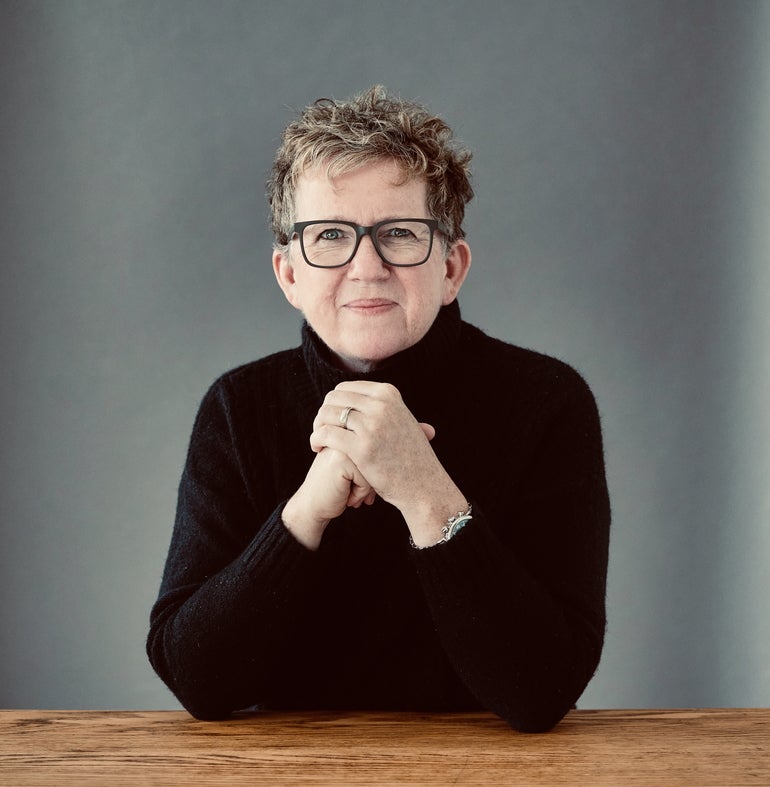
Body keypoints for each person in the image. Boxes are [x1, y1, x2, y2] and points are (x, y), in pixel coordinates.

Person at [147, 86, 611, 733]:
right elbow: (198, 680)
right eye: (330, 234)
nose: (367, 266)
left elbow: (542, 690)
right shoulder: (237, 406)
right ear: (288, 274)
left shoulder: (547, 400)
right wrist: (307, 509)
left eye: (398, 233)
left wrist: (425, 490)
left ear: (452, 267)